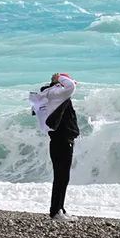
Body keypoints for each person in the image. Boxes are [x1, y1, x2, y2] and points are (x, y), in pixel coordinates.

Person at [29, 73, 80, 221]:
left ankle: (59, 209)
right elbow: (70, 86)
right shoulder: (57, 93)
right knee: (62, 176)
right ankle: (56, 211)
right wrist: (60, 79)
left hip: (58, 139)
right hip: (62, 140)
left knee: (61, 176)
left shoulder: (53, 95)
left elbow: (70, 86)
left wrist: (60, 81)